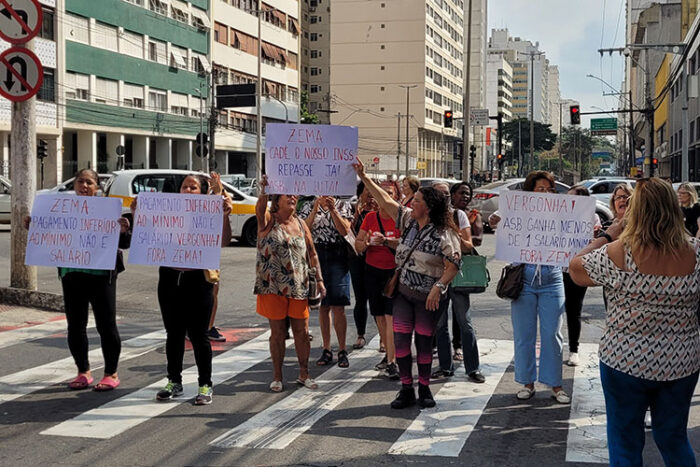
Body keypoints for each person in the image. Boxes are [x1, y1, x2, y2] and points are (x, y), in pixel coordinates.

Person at [569, 178, 700, 466]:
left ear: (635, 211)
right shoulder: (696, 252)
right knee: (674, 438)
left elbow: (576, 269)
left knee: (625, 441)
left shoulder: (619, 252)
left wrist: (607, 234)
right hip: (680, 362)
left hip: (624, 361)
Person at [354, 160, 461, 409]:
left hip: (427, 298)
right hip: (403, 293)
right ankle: (406, 388)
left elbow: (453, 265)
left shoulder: (444, 232)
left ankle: (424, 388)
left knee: (423, 342)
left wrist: (439, 287)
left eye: (417, 202)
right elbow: (385, 201)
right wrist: (365, 177)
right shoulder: (408, 221)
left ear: (429, 207)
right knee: (401, 340)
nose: (411, 204)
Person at [25, 169, 131, 391]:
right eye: (80, 181)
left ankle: (111, 373)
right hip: (72, 274)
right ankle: (83, 371)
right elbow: (48, 238)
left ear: (97, 187)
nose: (84, 186)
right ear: (74, 185)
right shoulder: (62, 211)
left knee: (107, 325)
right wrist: (33, 227)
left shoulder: (108, 210)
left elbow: (124, 243)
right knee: (75, 326)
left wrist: (123, 230)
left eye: (89, 182)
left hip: (102, 276)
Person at [146, 173, 232, 405]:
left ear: (203, 193)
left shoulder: (211, 213)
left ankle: (205, 384)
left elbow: (223, 240)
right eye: (185, 186)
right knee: (173, 334)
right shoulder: (168, 212)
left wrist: (224, 215)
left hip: (198, 281)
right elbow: (149, 238)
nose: (188, 191)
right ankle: (174, 381)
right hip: (170, 278)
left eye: (193, 187)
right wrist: (138, 214)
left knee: (198, 335)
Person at [490, 171, 570, 404]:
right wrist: (495, 220)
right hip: (522, 278)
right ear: (530, 191)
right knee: (524, 335)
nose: (544, 193)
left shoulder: (561, 212)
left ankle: (555, 385)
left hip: (552, 278)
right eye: (539, 189)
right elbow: (495, 219)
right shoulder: (516, 209)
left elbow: (574, 233)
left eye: (549, 189)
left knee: (552, 334)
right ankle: (527, 382)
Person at [254, 176, 325, 392]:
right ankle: (277, 376)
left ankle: (304, 374)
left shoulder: (301, 224)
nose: (293, 197)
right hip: (272, 287)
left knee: (302, 332)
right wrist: (264, 191)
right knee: (277, 334)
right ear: (277, 199)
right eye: (288, 194)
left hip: (299, 286)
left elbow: (312, 254)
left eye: (295, 194)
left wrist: (320, 280)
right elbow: (259, 209)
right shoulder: (268, 219)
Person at [298, 194, 353, 368]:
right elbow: (304, 229)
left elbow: (345, 231)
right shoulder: (308, 205)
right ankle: (326, 347)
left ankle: (342, 349)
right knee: (323, 305)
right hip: (317, 253)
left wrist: (333, 210)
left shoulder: (343, 205)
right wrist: (315, 208)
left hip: (337, 253)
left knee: (338, 305)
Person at [355, 181, 400, 380]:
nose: (383, 197)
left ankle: (392, 360)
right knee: (379, 315)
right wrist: (367, 242)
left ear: (395, 197)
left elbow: (409, 244)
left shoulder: (401, 217)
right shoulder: (370, 218)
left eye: (388, 193)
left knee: (391, 317)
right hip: (373, 271)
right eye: (380, 193)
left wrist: (387, 241)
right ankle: (390, 354)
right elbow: (357, 244)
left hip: (395, 273)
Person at [562, 185, 600, 367]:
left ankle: (573, 350)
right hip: (556, 268)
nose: (569, 201)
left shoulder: (592, 217)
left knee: (573, 310)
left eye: (573, 198)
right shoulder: (557, 215)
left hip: (577, 269)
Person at [349, 181, 372, 350]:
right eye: (368, 192)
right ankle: (360, 335)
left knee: (380, 300)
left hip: (378, 261)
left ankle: (384, 340)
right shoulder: (352, 209)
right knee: (360, 299)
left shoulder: (381, 211)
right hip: (357, 260)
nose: (371, 197)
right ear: (360, 194)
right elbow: (346, 232)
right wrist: (356, 215)